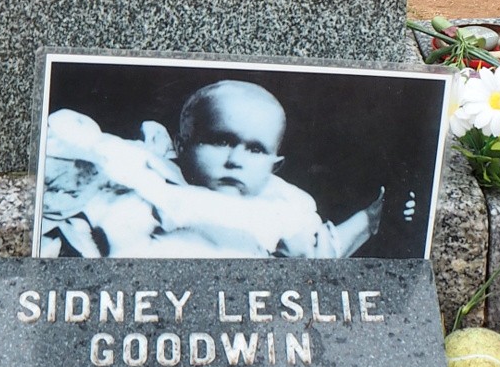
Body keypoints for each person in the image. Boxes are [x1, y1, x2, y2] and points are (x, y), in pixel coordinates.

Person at [37, 79, 383, 258]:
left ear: (274, 166)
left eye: (256, 150)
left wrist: (366, 222)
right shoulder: (150, 174)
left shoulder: (285, 206)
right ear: (181, 145)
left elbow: (323, 252)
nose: (235, 160)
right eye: (220, 141)